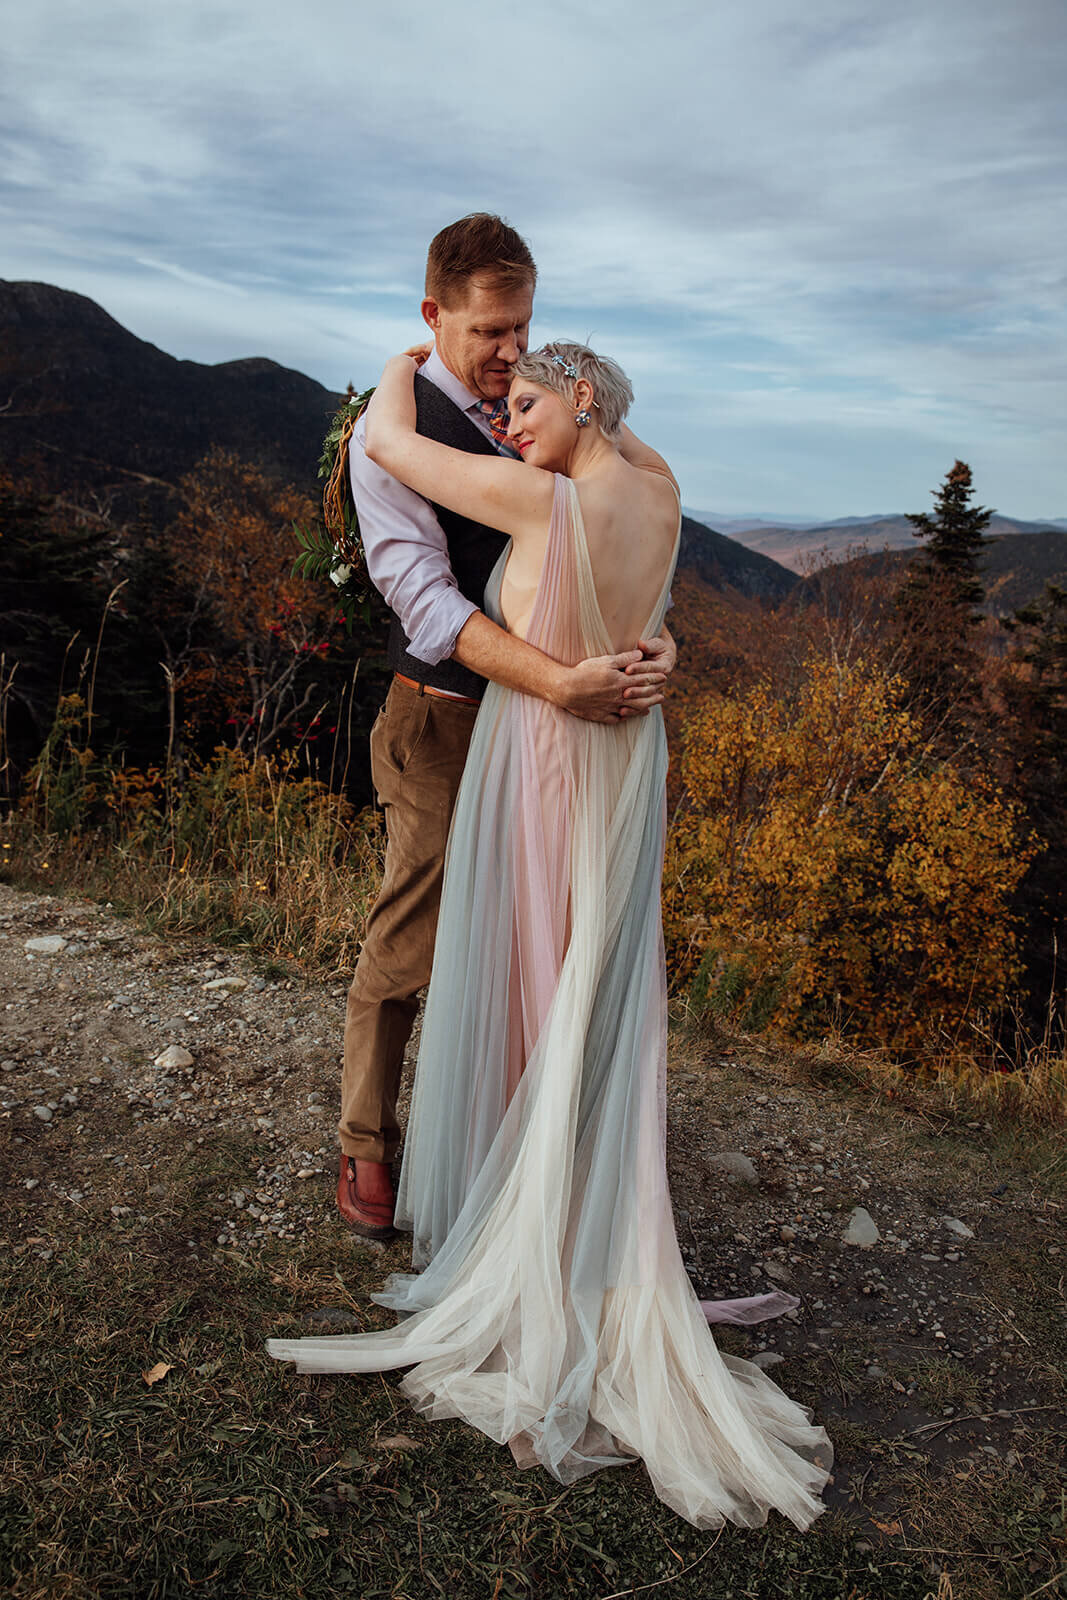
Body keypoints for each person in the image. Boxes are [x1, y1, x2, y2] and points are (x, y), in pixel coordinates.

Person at [269, 341, 832, 1530]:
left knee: (542, 994)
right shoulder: (663, 486)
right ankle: (582, 1222)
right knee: (596, 997)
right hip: (631, 764)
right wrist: (662, 641)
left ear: (578, 398)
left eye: (525, 403)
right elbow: (653, 579)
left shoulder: (544, 495)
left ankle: (538, 1255)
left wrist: (394, 361)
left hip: (548, 764)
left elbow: (386, 444)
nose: (509, 423)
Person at [337, 215, 675, 1239]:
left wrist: (657, 645)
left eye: (520, 327)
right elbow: (426, 603)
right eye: (486, 330)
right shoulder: (385, 439)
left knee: (538, 952)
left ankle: (511, 1163)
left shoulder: (533, 415)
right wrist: (560, 681)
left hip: (553, 745)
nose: (504, 353)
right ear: (434, 315)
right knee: (418, 935)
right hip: (444, 722)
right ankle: (365, 1145)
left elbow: (606, 552)